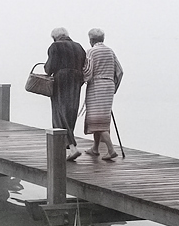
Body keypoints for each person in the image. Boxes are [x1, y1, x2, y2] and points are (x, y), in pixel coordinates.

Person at [81, 28, 123, 160]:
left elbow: (88, 71)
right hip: (109, 86)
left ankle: (111, 150)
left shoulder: (91, 52)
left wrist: (82, 79)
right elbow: (120, 71)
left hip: (96, 86)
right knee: (102, 117)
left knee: (96, 119)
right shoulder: (110, 51)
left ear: (91, 40)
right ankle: (95, 148)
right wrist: (114, 86)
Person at [45, 27, 86, 160]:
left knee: (59, 112)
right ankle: (64, 145)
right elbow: (84, 64)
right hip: (76, 80)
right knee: (70, 112)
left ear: (55, 37)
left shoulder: (55, 46)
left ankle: (72, 147)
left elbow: (50, 67)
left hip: (61, 79)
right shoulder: (79, 47)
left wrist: (47, 69)